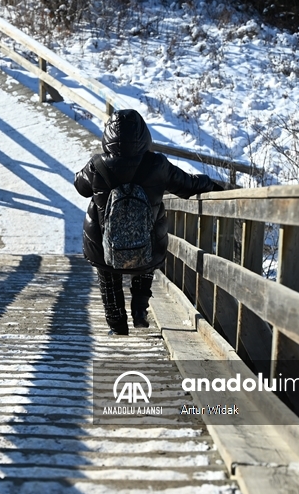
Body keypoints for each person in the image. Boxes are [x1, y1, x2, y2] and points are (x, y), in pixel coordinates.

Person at [74, 109, 224, 334]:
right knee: (146, 257)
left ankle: (117, 327)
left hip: (102, 242)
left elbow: (80, 187)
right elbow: (187, 184)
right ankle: (139, 311)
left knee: (109, 275)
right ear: (144, 135)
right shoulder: (157, 164)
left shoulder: (98, 165)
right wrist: (210, 185)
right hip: (150, 242)